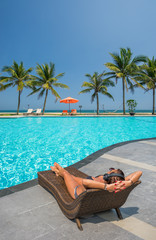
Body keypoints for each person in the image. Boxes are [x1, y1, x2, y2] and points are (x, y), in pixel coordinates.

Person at [51, 163, 142, 200]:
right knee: (66, 174)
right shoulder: (118, 185)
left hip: (78, 193)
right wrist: (129, 182)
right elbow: (139, 172)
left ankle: (61, 172)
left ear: (109, 174)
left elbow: (83, 182)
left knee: (67, 174)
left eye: (111, 169)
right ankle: (60, 172)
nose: (110, 169)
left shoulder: (102, 185)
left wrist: (65, 174)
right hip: (81, 188)